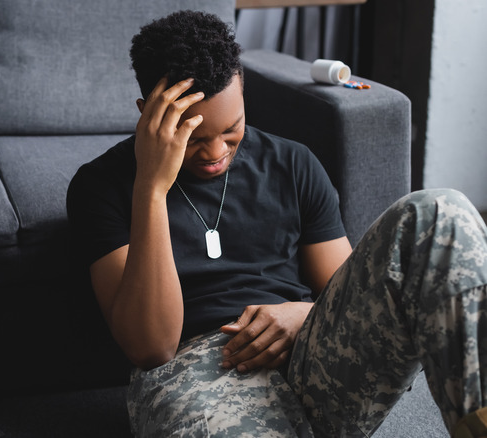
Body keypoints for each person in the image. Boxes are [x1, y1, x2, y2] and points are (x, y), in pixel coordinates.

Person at [66, 9, 487, 437]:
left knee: (439, 212)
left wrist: (303, 316)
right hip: (194, 371)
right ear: (147, 114)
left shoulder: (293, 163)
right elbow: (151, 346)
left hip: (308, 345)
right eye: (193, 137)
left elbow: (346, 295)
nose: (215, 152)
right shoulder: (102, 187)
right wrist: (152, 187)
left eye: (232, 129)